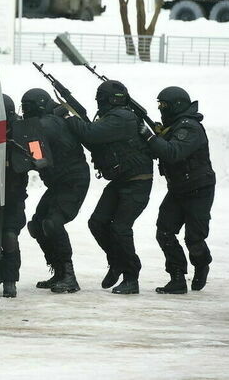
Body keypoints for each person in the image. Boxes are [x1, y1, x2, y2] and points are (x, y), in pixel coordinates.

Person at [64, 80, 153, 295]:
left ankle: (132, 277)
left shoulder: (121, 118)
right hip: (122, 180)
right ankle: (117, 262)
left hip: (137, 182)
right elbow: (94, 139)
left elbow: (90, 134)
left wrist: (67, 118)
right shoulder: (116, 117)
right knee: (97, 222)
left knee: (121, 228)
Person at [139, 86, 216, 294]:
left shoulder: (189, 127)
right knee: (164, 232)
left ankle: (201, 264)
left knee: (194, 238)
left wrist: (151, 138)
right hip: (178, 189)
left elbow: (173, 153)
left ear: (176, 105)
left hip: (199, 189)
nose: (161, 109)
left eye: (164, 105)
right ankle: (177, 277)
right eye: (159, 105)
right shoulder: (173, 126)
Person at [21, 88, 90, 294]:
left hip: (73, 181)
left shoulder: (50, 123)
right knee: (37, 224)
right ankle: (59, 271)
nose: (25, 112)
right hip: (59, 183)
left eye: (27, 108)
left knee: (52, 223)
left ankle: (69, 276)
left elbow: (36, 145)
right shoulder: (47, 121)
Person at [0, 94, 30, 298]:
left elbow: (39, 157)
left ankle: (10, 280)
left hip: (13, 195)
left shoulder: (23, 132)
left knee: (9, 237)